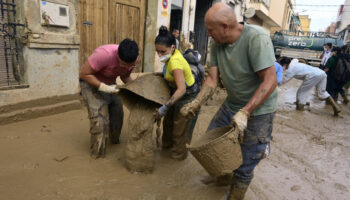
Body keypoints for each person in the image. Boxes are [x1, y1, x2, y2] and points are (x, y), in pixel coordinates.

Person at [180, 3, 278, 199]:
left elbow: (271, 80)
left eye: (210, 30)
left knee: (247, 161)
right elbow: (212, 79)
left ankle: (235, 194)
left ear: (225, 26)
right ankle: (223, 178)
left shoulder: (256, 38)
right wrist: (196, 103)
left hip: (259, 111)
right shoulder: (216, 43)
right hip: (231, 104)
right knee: (211, 143)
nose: (208, 34)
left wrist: (245, 112)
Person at [79, 38, 139, 158]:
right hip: (91, 83)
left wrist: (135, 90)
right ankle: (98, 155)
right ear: (117, 55)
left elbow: (125, 76)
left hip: (110, 83)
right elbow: (84, 73)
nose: (127, 67)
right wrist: (103, 87)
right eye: (124, 64)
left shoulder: (134, 59)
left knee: (118, 113)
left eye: (130, 65)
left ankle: (114, 142)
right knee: (100, 121)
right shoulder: (104, 55)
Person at [154, 26, 202, 160]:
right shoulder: (172, 56)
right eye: (157, 51)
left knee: (180, 133)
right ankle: (165, 152)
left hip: (187, 97)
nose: (159, 55)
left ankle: (177, 158)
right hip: (175, 95)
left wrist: (164, 107)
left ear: (172, 48)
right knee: (168, 126)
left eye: (163, 52)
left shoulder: (175, 61)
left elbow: (182, 89)